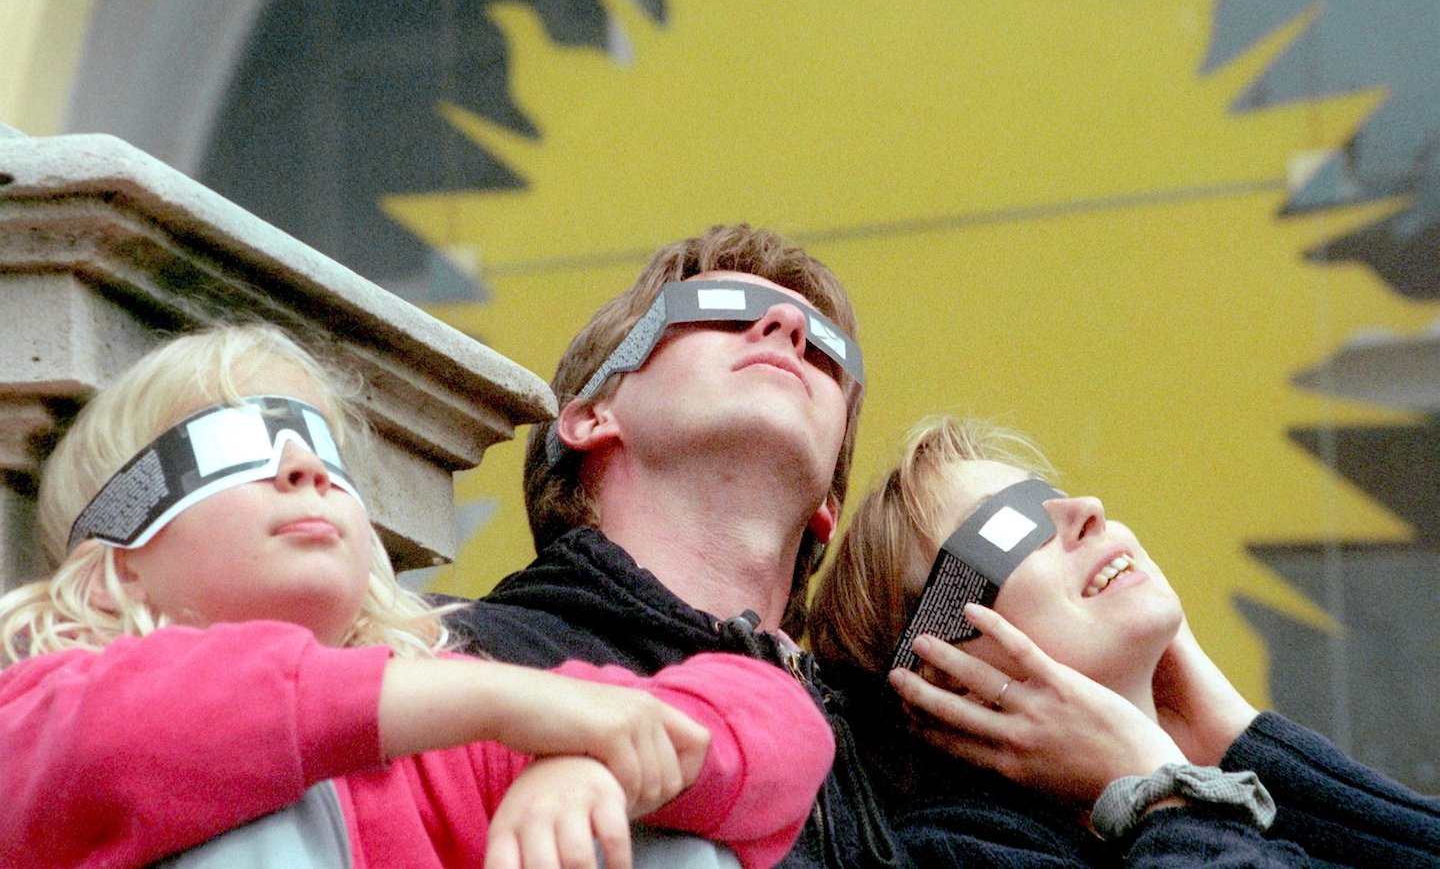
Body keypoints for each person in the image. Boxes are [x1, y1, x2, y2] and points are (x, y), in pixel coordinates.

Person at [0, 323, 834, 869]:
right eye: (228, 447)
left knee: (664, 838)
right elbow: (137, 736)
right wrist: (499, 697)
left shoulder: (443, 745)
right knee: (246, 796)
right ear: (116, 566)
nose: (305, 468)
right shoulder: (48, 708)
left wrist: (596, 768)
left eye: (320, 445)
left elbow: (779, 716)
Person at [443, 224, 905, 869]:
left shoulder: (902, 772)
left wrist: (1103, 784)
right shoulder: (442, 658)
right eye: (720, 311)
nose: (785, 328)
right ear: (589, 415)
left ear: (828, 501)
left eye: (827, 352)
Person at [810, 414, 1440, 867]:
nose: (1088, 508)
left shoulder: (1221, 805)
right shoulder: (952, 854)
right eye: (1012, 525)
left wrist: (1238, 741)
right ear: (942, 673)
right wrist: (1158, 791)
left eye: (1048, 496)